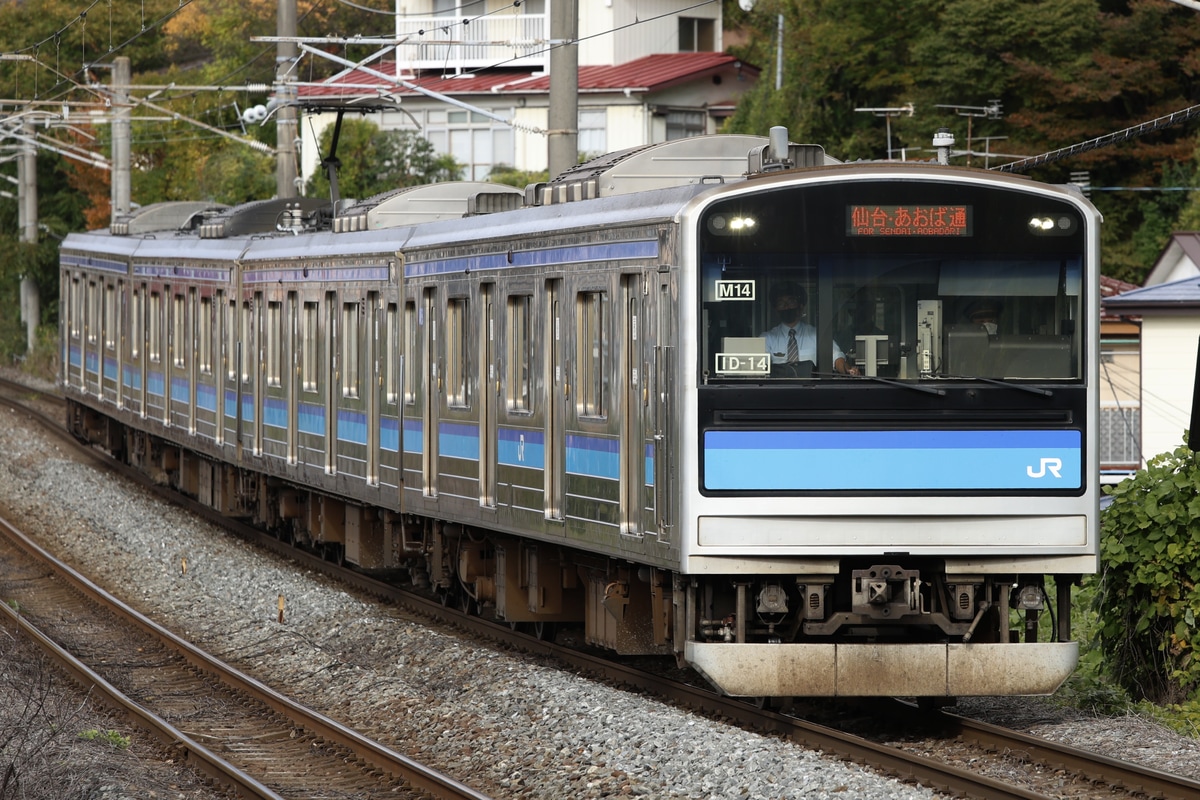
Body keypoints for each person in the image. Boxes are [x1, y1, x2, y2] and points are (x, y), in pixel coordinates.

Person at [759, 283, 858, 375]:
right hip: (777, 391)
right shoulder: (767, 338)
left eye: (791, 301)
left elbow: (837, 356)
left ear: (801, 306)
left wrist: (848, 370)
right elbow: (759, 364)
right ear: (776, 310)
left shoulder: (817, 334)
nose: (786, 306)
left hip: (812, 390)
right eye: (781, 303)